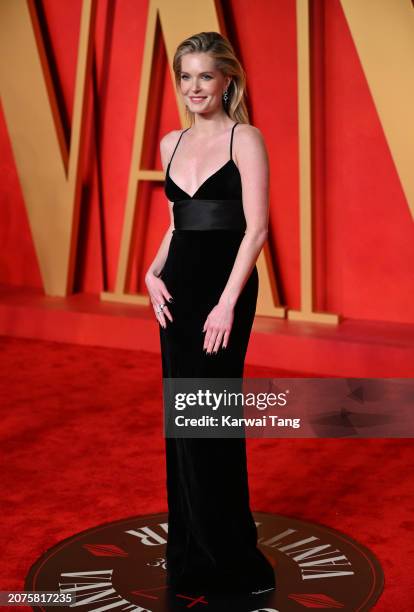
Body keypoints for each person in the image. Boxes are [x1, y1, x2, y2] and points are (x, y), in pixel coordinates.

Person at [145, 31, 275, 595]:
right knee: (184, 420)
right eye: (185, 77)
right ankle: (192, 549)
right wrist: (151, 272)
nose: (194, 87)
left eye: (205, 76)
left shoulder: (245, 138)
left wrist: (226, 302)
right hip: (177, 292)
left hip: (226, 293)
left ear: (227, 81)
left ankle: (230, 555)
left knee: (212, 419)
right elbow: (179, 224)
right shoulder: (169, 143)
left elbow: (257, 229)